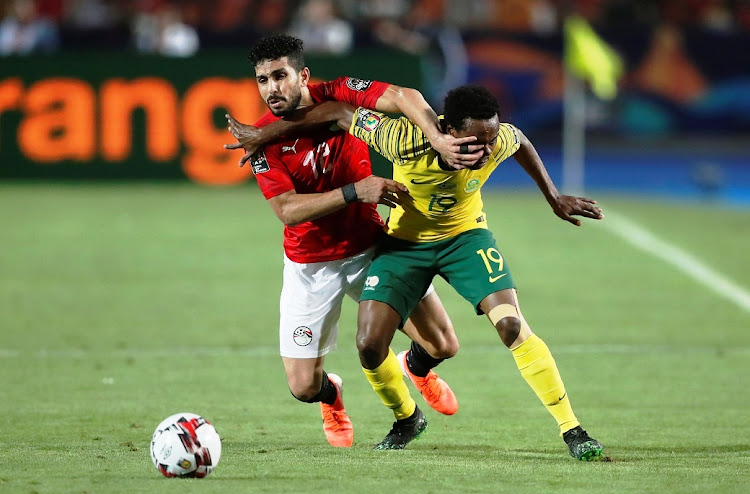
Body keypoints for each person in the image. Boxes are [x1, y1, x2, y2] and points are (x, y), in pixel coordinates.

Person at [260, 85, 606, 458]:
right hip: (405, 247)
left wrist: (553, 196)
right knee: (369, 345)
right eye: (476, 141)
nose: (487, 150)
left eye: (491, 140)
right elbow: (339, 113)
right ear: (448, 131)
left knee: (511, 325)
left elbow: (518, 139)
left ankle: (573, 430)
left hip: (466, 238)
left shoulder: (495, 139)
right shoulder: (401, 138)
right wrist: (262, 135)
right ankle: (407, 419)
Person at [224, 34, 482, 448]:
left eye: (280, 76)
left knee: (443, 344)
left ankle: (415, 368)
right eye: (262, 80)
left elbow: (403, 95)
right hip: (311, 266)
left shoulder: (341, 92)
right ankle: (333, 397)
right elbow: (287, 210)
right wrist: (354, 191)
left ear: (302, 75)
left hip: (373, 251)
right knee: (303, 387)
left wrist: (436, 136)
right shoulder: (260, 137)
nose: (272, 88)